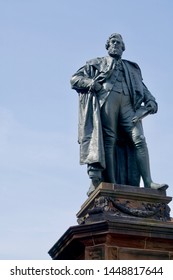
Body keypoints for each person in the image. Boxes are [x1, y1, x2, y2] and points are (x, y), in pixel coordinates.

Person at [70, 33, 167, 195]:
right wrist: (91, 83)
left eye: (119, 43)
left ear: (123, 48)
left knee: (139, 139)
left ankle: (149, 182)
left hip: (128, 107)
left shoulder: (132, 68)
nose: (115, 45)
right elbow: (75, 79)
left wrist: (150, 100)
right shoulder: (96, 63)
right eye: (112, 42)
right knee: (109, 140)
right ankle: (111, 183)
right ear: (107, 46)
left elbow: (142, 88)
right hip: (107, 101)